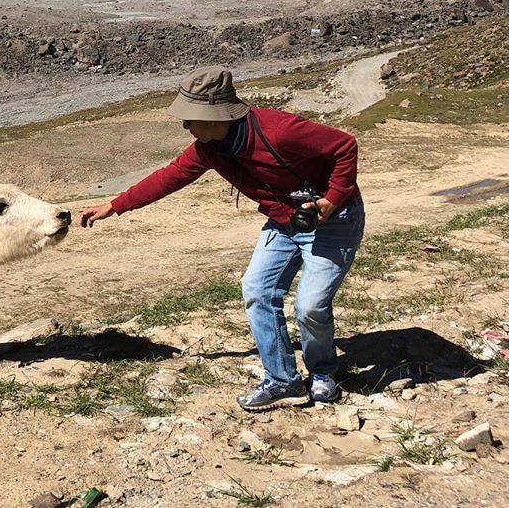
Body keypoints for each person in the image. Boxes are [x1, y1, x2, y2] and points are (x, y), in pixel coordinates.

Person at [79, 66, 364, 411]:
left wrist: (331, 200)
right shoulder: (209, 148)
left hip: (333, 220)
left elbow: (345, 146)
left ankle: (322, 372)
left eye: (190, 118)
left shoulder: (280, 130)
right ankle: (283, 381)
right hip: (284, 221)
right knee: (258, 290)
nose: (186, 126)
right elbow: (170, 177)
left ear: (216, 117)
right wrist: (115, 205)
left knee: (310, 306)